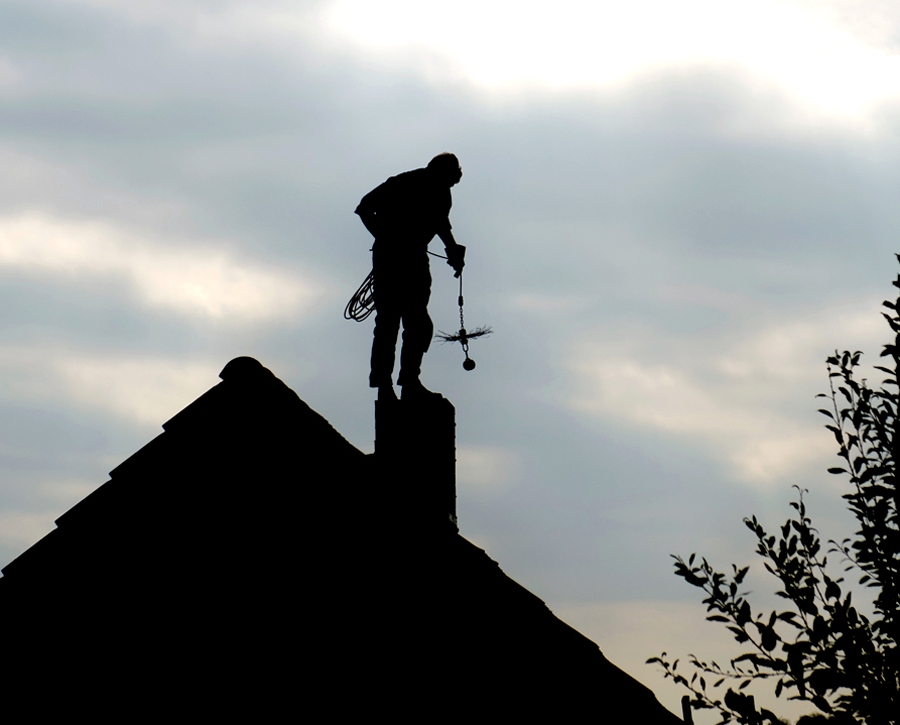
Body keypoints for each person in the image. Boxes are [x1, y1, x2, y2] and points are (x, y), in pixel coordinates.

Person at [355, 153, 466, 401]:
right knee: (389, 322)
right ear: (441, 172)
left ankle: (409, 381)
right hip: (391, 259)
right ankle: (385, 385)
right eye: (449, 180)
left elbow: (441, 223)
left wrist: (453, 251)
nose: (450, 186)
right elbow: (364, 207)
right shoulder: (401, 182)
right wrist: (383, 237)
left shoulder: (441, 191)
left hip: (415, 258)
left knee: (417, 324)